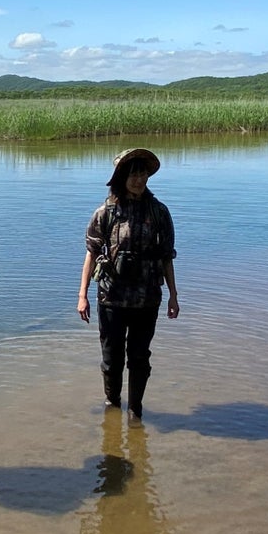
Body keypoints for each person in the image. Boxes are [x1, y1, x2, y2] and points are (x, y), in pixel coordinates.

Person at [77, 147, 179, 420]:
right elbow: (91, 254)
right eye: (133, 174)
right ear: (121, 176)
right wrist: (82, 295)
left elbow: (167, 256)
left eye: (143, 173)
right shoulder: (105, 213)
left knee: (139, 358)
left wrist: (173, 296)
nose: (138, 179)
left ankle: (135, 411)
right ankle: (112, 405)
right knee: (112, 361)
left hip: (147, 299)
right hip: (111, 298)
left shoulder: (159, 212)